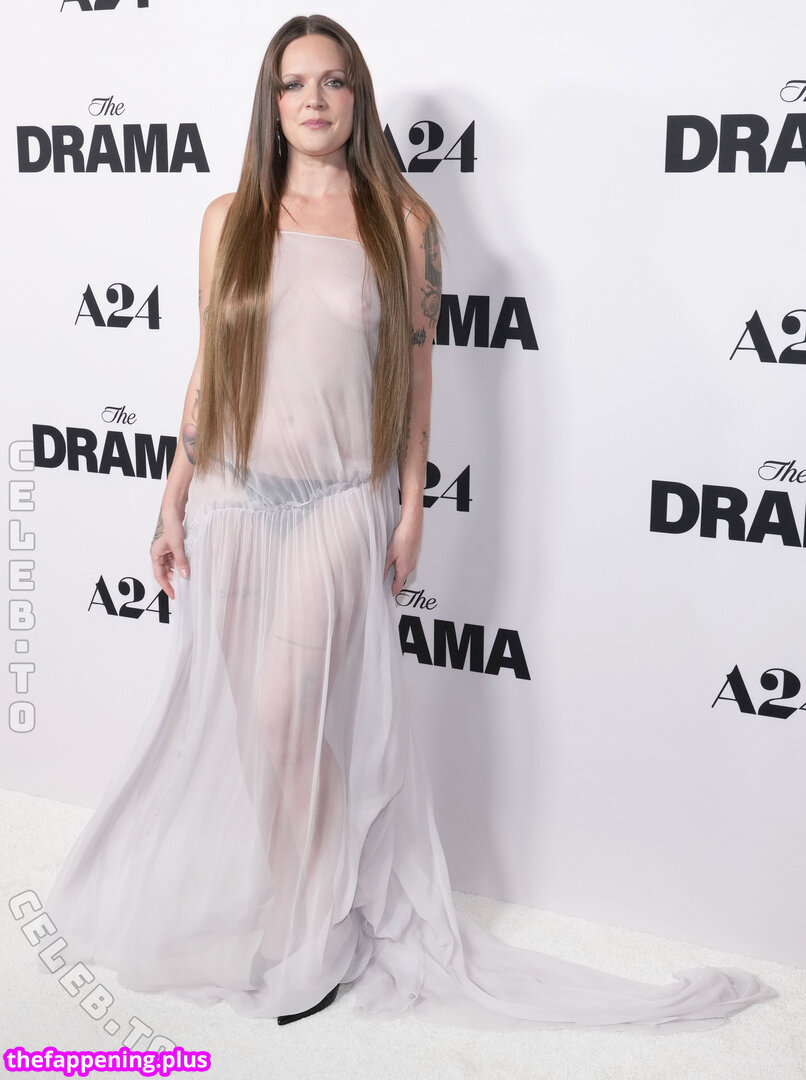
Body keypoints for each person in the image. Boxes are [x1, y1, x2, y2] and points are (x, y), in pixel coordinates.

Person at [44, 14, 778, 1032]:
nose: (313, 100)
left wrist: (409, 509)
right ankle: (293, 891)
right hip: (231, 504)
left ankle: (315, 920)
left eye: (332, 81)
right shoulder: (227, 219)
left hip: (337, 507)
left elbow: (418, 383)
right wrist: (171, 498)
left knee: (286, 715)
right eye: (293, 83)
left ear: (358, 97)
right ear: (270, 104)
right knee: (259, 729)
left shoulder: (403, 222)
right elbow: (208, 370)